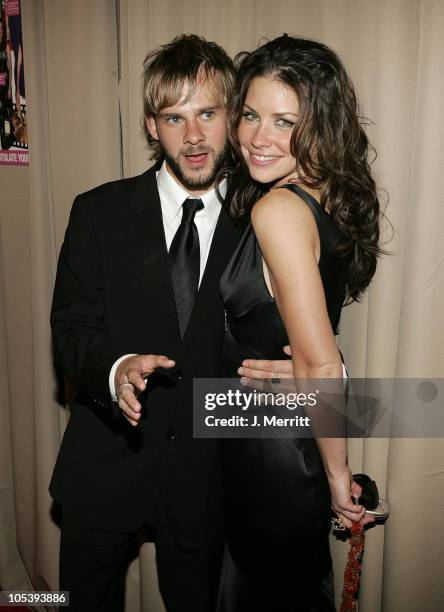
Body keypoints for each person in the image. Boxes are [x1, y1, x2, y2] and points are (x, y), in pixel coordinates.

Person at [50, 34, 293, 612]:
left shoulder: (265, 220)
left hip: (207, 480)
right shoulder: (98, 212)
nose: (193, 137)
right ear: (151, 125)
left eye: (207, 113)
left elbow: (296, 341)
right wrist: (115, 371)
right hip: (105, 464)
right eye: (174, 116)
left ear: (232, 118)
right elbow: (70, 331)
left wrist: (303, 381)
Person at [217, 35, 381, 611]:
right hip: (280, 434)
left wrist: (339, 481)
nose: (259, 137)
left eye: (285, 121)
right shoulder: (323, 194)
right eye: (251, 115)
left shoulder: (279, 209)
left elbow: (318, 360)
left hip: (271, 447)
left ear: (321, 127)